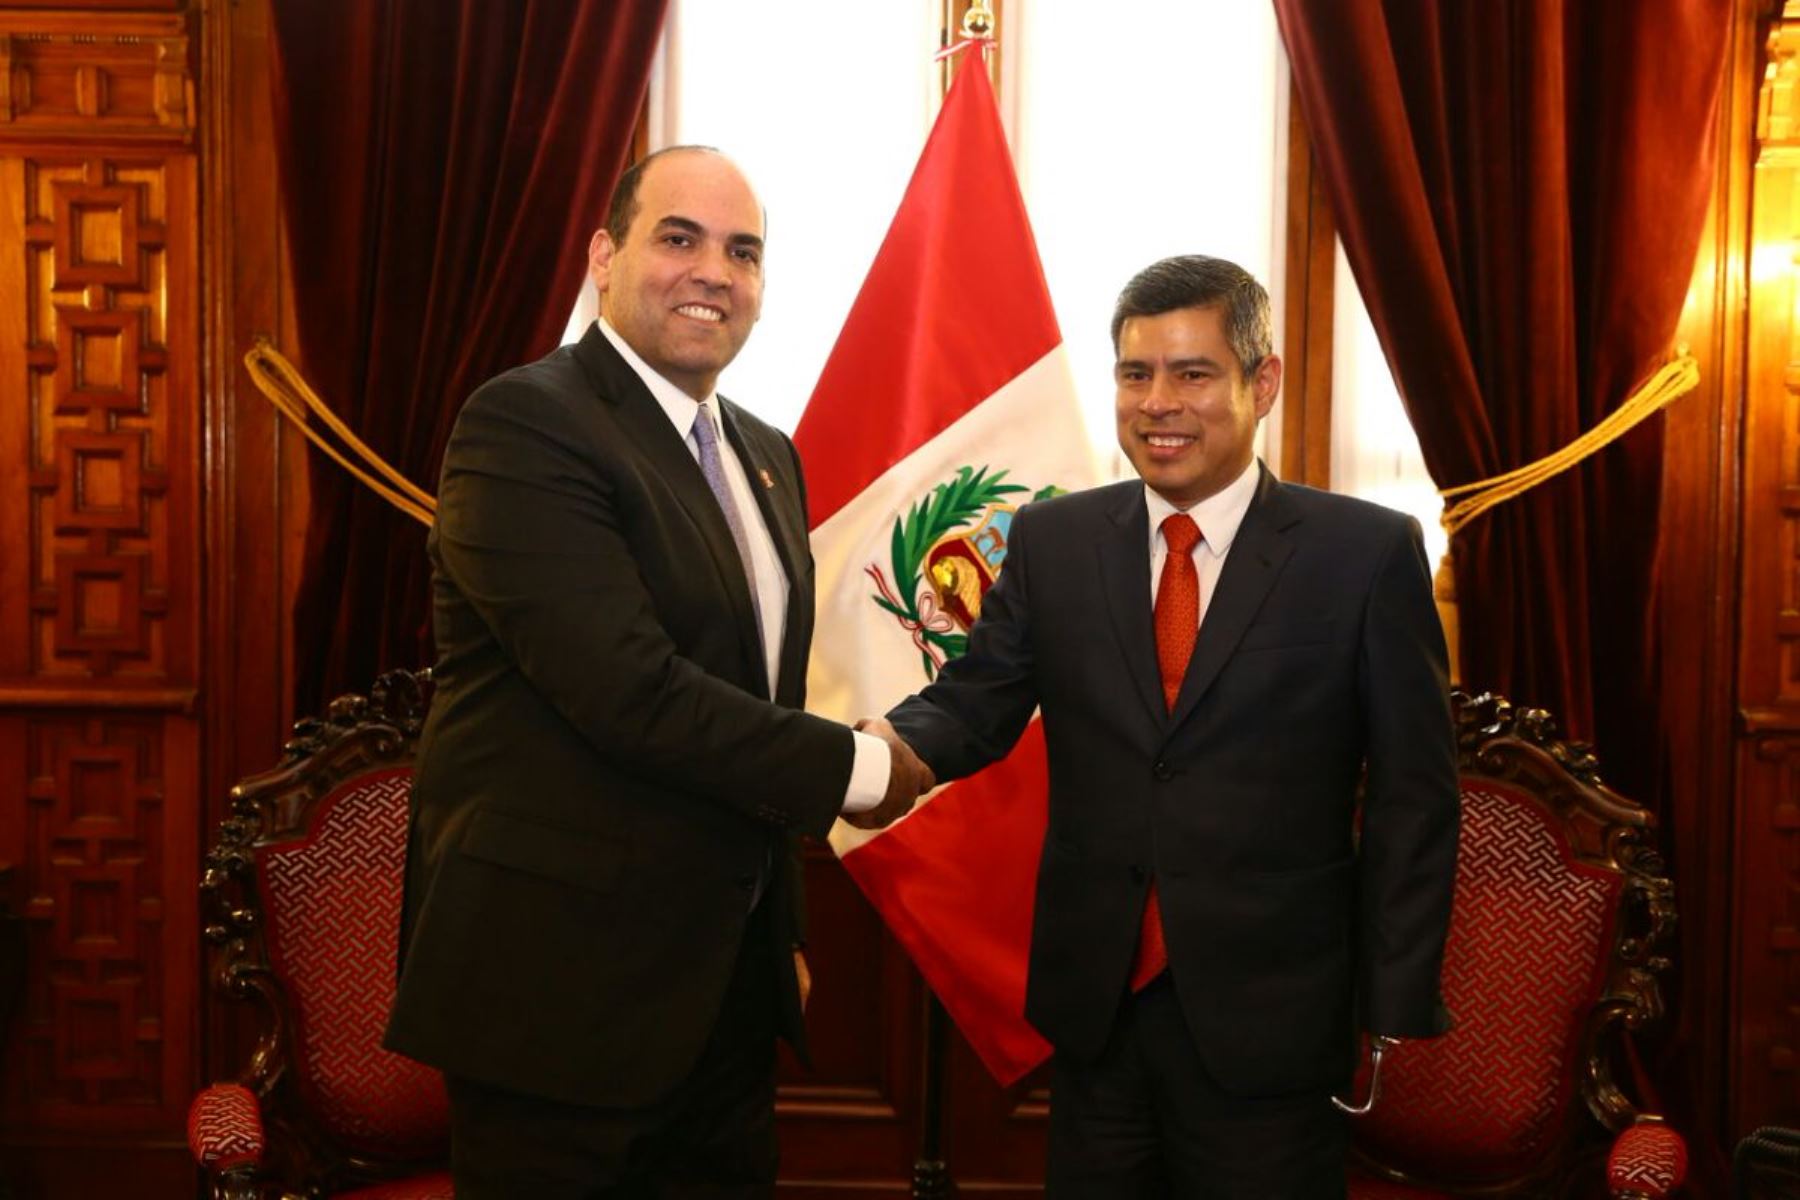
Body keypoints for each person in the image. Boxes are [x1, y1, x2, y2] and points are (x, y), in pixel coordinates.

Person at [383, 145, 929, 1198]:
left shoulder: (769, 454)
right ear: (603, 256)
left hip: (722, 995)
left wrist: (781, 937)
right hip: (558, 995)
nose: (713, 273)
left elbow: (756, 699)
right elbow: (630, 695)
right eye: (679, 239)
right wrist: (862, 769)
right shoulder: (526, 422)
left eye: (743, 252)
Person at [867, 255, 1460, 1198]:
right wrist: (875, 760)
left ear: (1261, 383)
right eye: (1135, 374)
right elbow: (974, 703)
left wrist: (1390, 998)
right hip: (1098, 1007)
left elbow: (1414, 796)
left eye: (1193, 374)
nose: (1159, 403)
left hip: (1274, 1019)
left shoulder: (1364, 555)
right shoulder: (1054, 543)